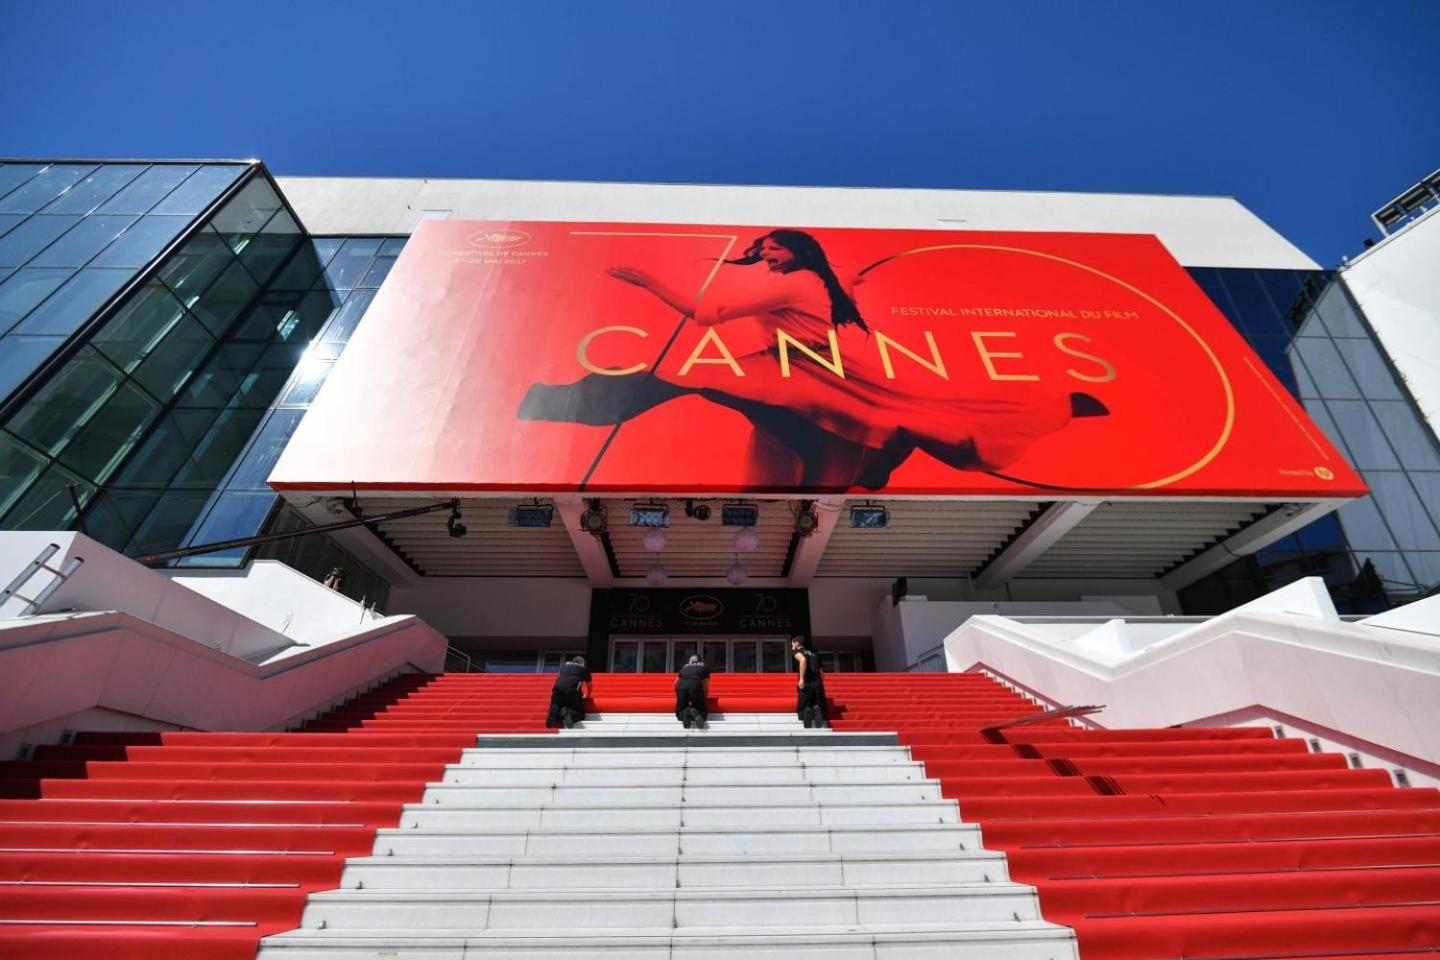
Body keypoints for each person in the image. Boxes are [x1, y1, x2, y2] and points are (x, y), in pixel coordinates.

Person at [519, 229, 1107, 491]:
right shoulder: (821, 280)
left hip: (812, 371)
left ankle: (553, 403)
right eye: (762, 248)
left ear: (798, 252)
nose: (764, 254)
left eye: (773, 247)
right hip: (788, 363)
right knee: (676, 379)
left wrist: (649, 281)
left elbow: (705, 316)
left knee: (918, 417)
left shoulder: (795, 283)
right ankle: (555, 403)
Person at [791, 635, 828, 729]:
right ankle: (816, 708)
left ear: (797, 643)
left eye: (792, 643)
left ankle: (806, 712)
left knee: (803, 706)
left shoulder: (797, 651)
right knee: (818, 704)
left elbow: (803, 660)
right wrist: (820, 683)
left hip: (806, 683)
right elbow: (821, 672)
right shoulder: (814, 653)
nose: (792, 646)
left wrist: (802, 679)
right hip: (817, 682)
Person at [547, 655, 591, 729]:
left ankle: (555, 709)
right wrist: (587, 695)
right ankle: (570, 714)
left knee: (558, 705)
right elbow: (589, 686)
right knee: (580, 713)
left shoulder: (564, 666)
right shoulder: (583, 668)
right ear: (582, 662)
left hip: (557, 689)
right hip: (572, 690)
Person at [674, 654, 710, 729]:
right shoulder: (704, 667)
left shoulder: (684, 668)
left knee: (679, 714)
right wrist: (704, 697)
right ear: (700, 661)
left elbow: (675, 683)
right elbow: (706, 686)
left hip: (682, 688)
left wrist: (678, 696)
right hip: (695, 687)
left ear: (690, 660)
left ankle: (687, 711)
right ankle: (693, 711)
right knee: (702, 712)